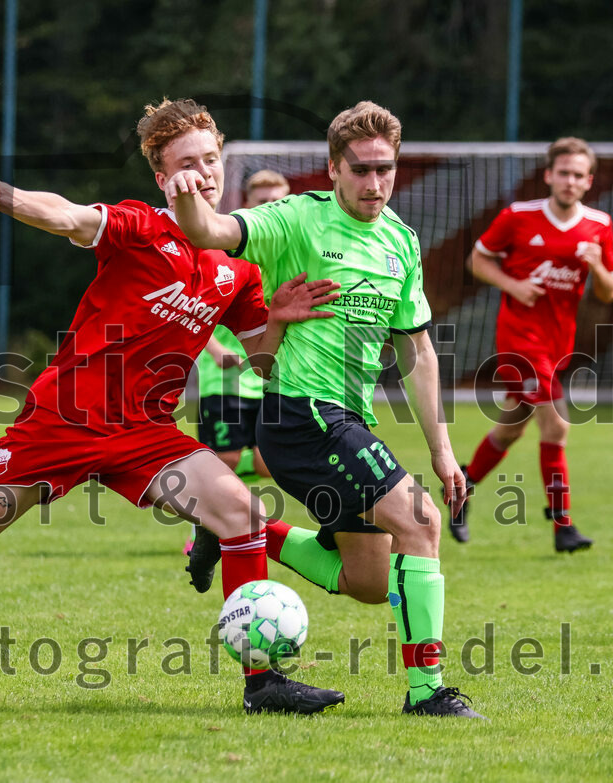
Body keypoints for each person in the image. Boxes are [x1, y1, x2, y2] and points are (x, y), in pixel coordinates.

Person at [0, 98, 345, 716]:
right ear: (161, 177)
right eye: (186, 163)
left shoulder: (238, 265)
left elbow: (260, 360)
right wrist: (1, 195)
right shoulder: (141, 227)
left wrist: (279, 320)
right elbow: (69, 217)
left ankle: (262, 684)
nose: (202, 172)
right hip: (63, 420)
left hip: (145, 432)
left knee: (242, 512)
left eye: (210, 159)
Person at [170, 101, 483, 718]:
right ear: (334, 168)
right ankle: (428, 694)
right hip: (302, 415)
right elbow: (210, 233)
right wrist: (187, 192)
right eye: (360, 170)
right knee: (421, 523)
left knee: (369, 581)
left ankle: (236, 528)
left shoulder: (400, 242)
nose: (374, 184)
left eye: (385, 170)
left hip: (345, 421)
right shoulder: (296, 220)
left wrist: (443, 450)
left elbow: (417, 350)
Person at [451, 137, 613, 552]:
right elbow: (476, 261)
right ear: (548, 175)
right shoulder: (518, 216)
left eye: (578, 175)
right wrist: (513, 285)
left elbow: (609, 292)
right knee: (557, 424)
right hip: (519, 340)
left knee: (510, 429)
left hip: (556, 344)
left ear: (588, 181)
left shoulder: (598, 225)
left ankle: (460, 488)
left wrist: (596, 265)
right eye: (563, 173)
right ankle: (563, 527)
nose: (570, 181)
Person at [184, 172, 291, 581]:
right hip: (224, 381)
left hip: (267, 379)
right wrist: (214, 349)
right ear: (246, 201)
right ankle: (207, 526)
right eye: (262, 200)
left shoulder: (288, 252)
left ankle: (221, 517)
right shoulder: (223, 244)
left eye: (278, 200)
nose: (270, 206)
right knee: (221, 461)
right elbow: (192, 303)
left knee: (270, 461)